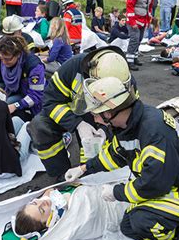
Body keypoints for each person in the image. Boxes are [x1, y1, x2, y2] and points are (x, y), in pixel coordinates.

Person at [64, 76, 179, 240]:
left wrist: (116, 192)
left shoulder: (153, 131)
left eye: (95, 113)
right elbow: (114, 155)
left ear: (110, 112)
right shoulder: (129, 125)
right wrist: (83, 169)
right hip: (170, 184)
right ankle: (176, 222)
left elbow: (153, 184)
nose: (94, 119)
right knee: (128, 227)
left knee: (142, 222)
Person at [28, 46, 136, 179]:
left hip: (104, 120)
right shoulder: (72, 68)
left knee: (92, 169)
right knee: (39, 126)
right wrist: (78, 124)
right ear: (91, 75)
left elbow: (130, 119)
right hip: (70, 114)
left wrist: (105, 129)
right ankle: (61, 176)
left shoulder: (126, 82)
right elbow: (50, 102)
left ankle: (89, 172)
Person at [12, 185, 129, 240]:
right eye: (41, 210)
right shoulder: (61, 228)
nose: (42, 202)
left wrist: (47, 196)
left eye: (34, 202)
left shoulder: (49, 202)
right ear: (48, 223)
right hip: (108, 212)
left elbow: (48, 192)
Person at [0, 35, 46, 122]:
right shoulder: (2, 59)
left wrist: (16, 106)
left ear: (18, 54)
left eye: (7, 59)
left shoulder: (34, 66)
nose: (4, 62)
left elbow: (36, 96)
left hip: (30, 96)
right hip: (12, 89)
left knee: (8, 103)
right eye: (1, 59)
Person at [126, 0, 156, 71]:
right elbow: (129, 7)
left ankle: (134, 58)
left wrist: (147, 22)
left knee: (139, 39)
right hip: (134, 21)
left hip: (143, 21)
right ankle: (129, 61)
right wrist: (132, 22)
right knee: (134, 39)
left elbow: (149, 9)